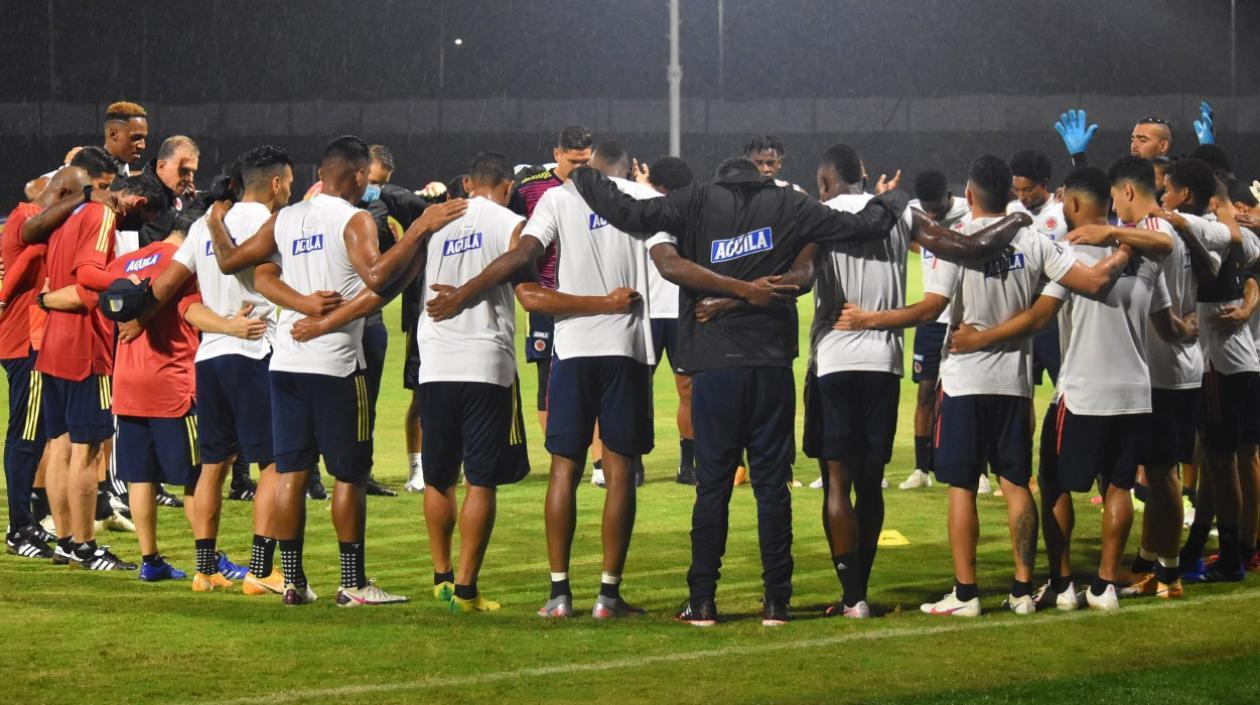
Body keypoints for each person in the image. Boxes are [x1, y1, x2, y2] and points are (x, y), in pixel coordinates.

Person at [570, 154, 1030, 625]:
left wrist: (579, 174)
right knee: (774, 488)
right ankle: (778, 602)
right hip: (773, 364)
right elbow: (866, 225)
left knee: (713, 489)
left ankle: (703, 600)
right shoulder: (789, 204)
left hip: (716, 366)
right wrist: (892, 196)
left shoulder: (697, 200)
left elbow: (629, 214)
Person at [838, 155, 1136, 617]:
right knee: (1017, 484)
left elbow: (928, 309)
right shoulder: (1036, 240)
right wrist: (1124, 247)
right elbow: (1093, 282)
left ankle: (966, 593)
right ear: (1012, 194)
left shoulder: (956, 245)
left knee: (960, 486)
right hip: (1015, 383)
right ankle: (1022, 591)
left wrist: (868, 319)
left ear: (970, 196)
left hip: (964, 380)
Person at [203, 134, 464, 606]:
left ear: (320, 175)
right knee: (349, 475)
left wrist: (216, 221)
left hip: (285, 364)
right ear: (360, 176)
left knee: (291, 473)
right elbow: (378, 277)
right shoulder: (355, 218)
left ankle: (293, 582)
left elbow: (234, 263)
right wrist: (421, 227)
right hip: (340, 366)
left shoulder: (285, 219)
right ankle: (353, 583)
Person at [425, 142, 658, 619]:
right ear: (626, 169)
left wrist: (463, 295)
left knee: (563, 471)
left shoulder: (558, 198)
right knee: (617, 474)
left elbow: (523, 256)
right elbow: (669, 260)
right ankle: (609, 596)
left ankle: (558, 594)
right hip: (626, 347)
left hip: (571, 350)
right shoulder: (641, 198)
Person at [948, 165, 1175, 611]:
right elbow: (1164, 318)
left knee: (1052, 483)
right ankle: (1106, 586)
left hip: (1082, 392)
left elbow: (1037, 319)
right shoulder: (1142, 255)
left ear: (1071, 204)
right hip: (1134, 391)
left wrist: (977, 339)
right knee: (1119, 487)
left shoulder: (1067, 254)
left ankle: (1063, 582)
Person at [138, 145, 298, 594]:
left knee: (213, 464)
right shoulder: (274, 224)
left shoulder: (205, 225)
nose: (291, 188)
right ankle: (262, 570)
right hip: (254, 350)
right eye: (289, 181)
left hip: (209, 356)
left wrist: (135, 321)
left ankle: (204, 570)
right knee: (272, 465)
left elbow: (165, 285)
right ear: (275, 183)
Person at [106, 211, 265, 583]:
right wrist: (230, 326)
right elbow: (188, 309)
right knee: (199, 475)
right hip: (170, 383)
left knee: (140, 476)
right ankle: (209, 561)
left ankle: (151, 561)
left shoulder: (129, 260)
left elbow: (102, 294)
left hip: (127, 381)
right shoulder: (182, 264)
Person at [411, 152, 531, 612]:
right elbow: (524, 267)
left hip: (437, 361)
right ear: (506, 188)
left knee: (440, 479)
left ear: (466, 182)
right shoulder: (509, 221)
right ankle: (465, 588)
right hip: (486, 363)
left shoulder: (436, 221)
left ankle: (440, 575)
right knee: (481, 481)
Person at [38, 174, 167, 570]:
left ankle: (64, 540)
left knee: (60, 445)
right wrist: (132, 282)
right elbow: (88, 277)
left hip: (53, 344)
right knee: (87, 449)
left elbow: (60, 281)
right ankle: (85, 545)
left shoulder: (64, 220)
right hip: (84, 347)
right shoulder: (101, 215)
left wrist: (47, 300)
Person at [0, 148, 118, 558]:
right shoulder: (24, 218)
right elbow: (33, 228)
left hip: (39, 341)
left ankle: (42, 527)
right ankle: (20, 529)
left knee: (48, 440)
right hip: (26, 342)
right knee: (28, 439)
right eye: (97, 189)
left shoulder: (50, 226)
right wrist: (85, 196)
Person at [1162, 159, 1260, 583]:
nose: (1162, 196)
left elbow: (1156, 214)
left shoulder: (1197, 225)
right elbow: (1251, 261)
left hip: (1219, 366)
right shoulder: (1233, 235)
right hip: (1236, 363)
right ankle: (1207, 547)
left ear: (1186, 195)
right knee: (1219, 462)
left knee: (1223, 465)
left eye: (1167, 188)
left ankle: (1235, 556)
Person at [514, 126, 593, 446]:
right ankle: (559, 454)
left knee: (592, 374)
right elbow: (513, 238)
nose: (580, 169)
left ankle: (600, 461)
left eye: (586, 162)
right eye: (574, 161)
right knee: (547, 376)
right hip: (546, 295)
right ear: (556, 155)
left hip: (589, 294)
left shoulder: (600, 188)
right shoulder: (530, 190)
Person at [898, 170, 969, 491]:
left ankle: (977, 470)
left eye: (936, 207)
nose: (930, 215)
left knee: (966, 394)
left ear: (948, 196)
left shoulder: (967, 212)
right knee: (925, 392)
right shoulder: (914, 210)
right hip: (930, 319)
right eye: (926, 208)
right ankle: (921, 470)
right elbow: (911, 241)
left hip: (963, 316)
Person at [643, 156, 697, 485]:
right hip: (658, 312)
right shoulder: (643, 212)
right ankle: (634, 461)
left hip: (668, 312)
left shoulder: (690, 215)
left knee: (681, 391)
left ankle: (687, 465)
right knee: (686, 391)